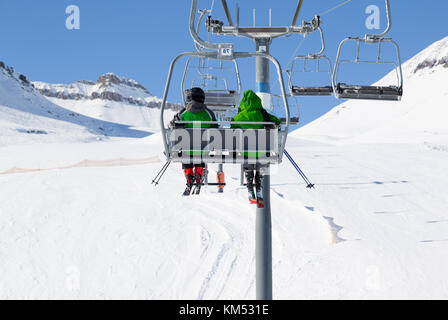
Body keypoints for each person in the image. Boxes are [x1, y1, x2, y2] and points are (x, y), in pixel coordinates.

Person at [231, 90, 281, 206]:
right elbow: (277, 122)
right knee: (261, 161)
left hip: (246, 152)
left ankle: (249, 183)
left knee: (247, 160)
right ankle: (259, 184)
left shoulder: (239, 117)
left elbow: (232, 127)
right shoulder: (263, 115)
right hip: (262, 152)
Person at [171, 87, 217, 195]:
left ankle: (189, 178)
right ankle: (199, 176)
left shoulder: (183, 113)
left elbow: (173, 125)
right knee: (201, 153)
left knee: (186, 153)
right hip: (203, 150)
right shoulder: (209, 113)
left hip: (186, 149)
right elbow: (216, 129)